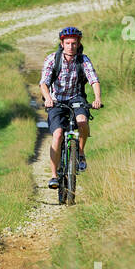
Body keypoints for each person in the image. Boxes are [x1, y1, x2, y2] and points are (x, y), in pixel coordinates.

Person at [39, 25, 102, 189]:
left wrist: (97, 98)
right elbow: (44, 83)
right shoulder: (52, 59)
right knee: (58, 134)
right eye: (67, 43)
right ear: (62, 44)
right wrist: (47, 99)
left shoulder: (83, 60)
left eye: (74, 43)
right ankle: (54, 176)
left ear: (78, 44)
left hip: (76, 98)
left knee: (82, 122)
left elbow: (93, 79)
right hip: (56, 100)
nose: (71, 46)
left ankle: (80, 153)